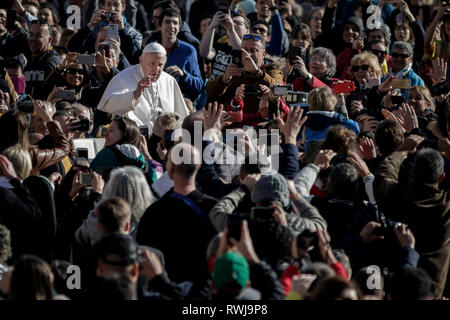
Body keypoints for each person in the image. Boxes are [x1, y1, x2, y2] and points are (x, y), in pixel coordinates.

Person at [374, 143, 450, 299]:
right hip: (432, 292)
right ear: (441, 177)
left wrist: (401, 151)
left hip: (395, 287)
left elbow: (383, 176)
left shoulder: (396, 197)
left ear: (413, 173)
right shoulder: (446, 206)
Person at [136, 143, 218, 283]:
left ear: (170, 169)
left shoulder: (153, 212)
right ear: (198, 167)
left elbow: (142, 254)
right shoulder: (215, 209)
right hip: (204, 290)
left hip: (164, 288)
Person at [97, 42, 189, 130]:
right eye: (152, 64)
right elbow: (109, 106)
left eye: (160, 65)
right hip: (134, 137)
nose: (156, 69)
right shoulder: (123, 77)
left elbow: (182, 117)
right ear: (141, 60)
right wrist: (135, 95)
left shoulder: (169, 81)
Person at [206, 33, 284, 115]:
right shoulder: (236, 70)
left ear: (263, 54)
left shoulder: (272, 70)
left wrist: (258, 73)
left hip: (260, 122)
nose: (248, 54)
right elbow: (210, 92)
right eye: (245, 50)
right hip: (233, 120)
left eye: (253, 50)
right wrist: (224, 79)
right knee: (196, 121)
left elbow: (282, 91)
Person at [67, 0, 142, 65]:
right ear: (104, 7)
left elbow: (135, 59)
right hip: (95, 73)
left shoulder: (133, 33)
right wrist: (89, 26)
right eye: (108, 4)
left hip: (121, 72)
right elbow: (73, 49)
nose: (112, 9)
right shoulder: (95, 30)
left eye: (116, 5)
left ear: (123, 7)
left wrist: (122, 31)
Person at [157, 8, 203, 101]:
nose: (171, 26)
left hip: (178, 104)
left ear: (179, 28)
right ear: (160, 26)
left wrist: (183, 74)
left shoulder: (189, 50)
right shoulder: (152, 48)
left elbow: (199, 84)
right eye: (167, 22)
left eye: (175, 23)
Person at [90, 116, 146, 181]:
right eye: (106, 130)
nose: (105, 134)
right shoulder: (142, 158)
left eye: (111, 130)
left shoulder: (106, 154)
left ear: (125, 134)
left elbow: (90, 178)